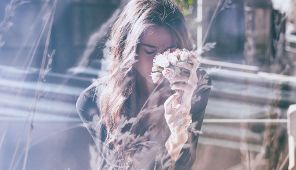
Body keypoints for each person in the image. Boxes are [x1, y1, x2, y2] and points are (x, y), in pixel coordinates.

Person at [75, 0, 211, 169]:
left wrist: (181, 120)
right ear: (128, 51)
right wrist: (174, 142)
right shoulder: (92, 102)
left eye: (170, 51)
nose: (162, 63)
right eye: (150, 51)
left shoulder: (194, 84)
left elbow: (184, 164)